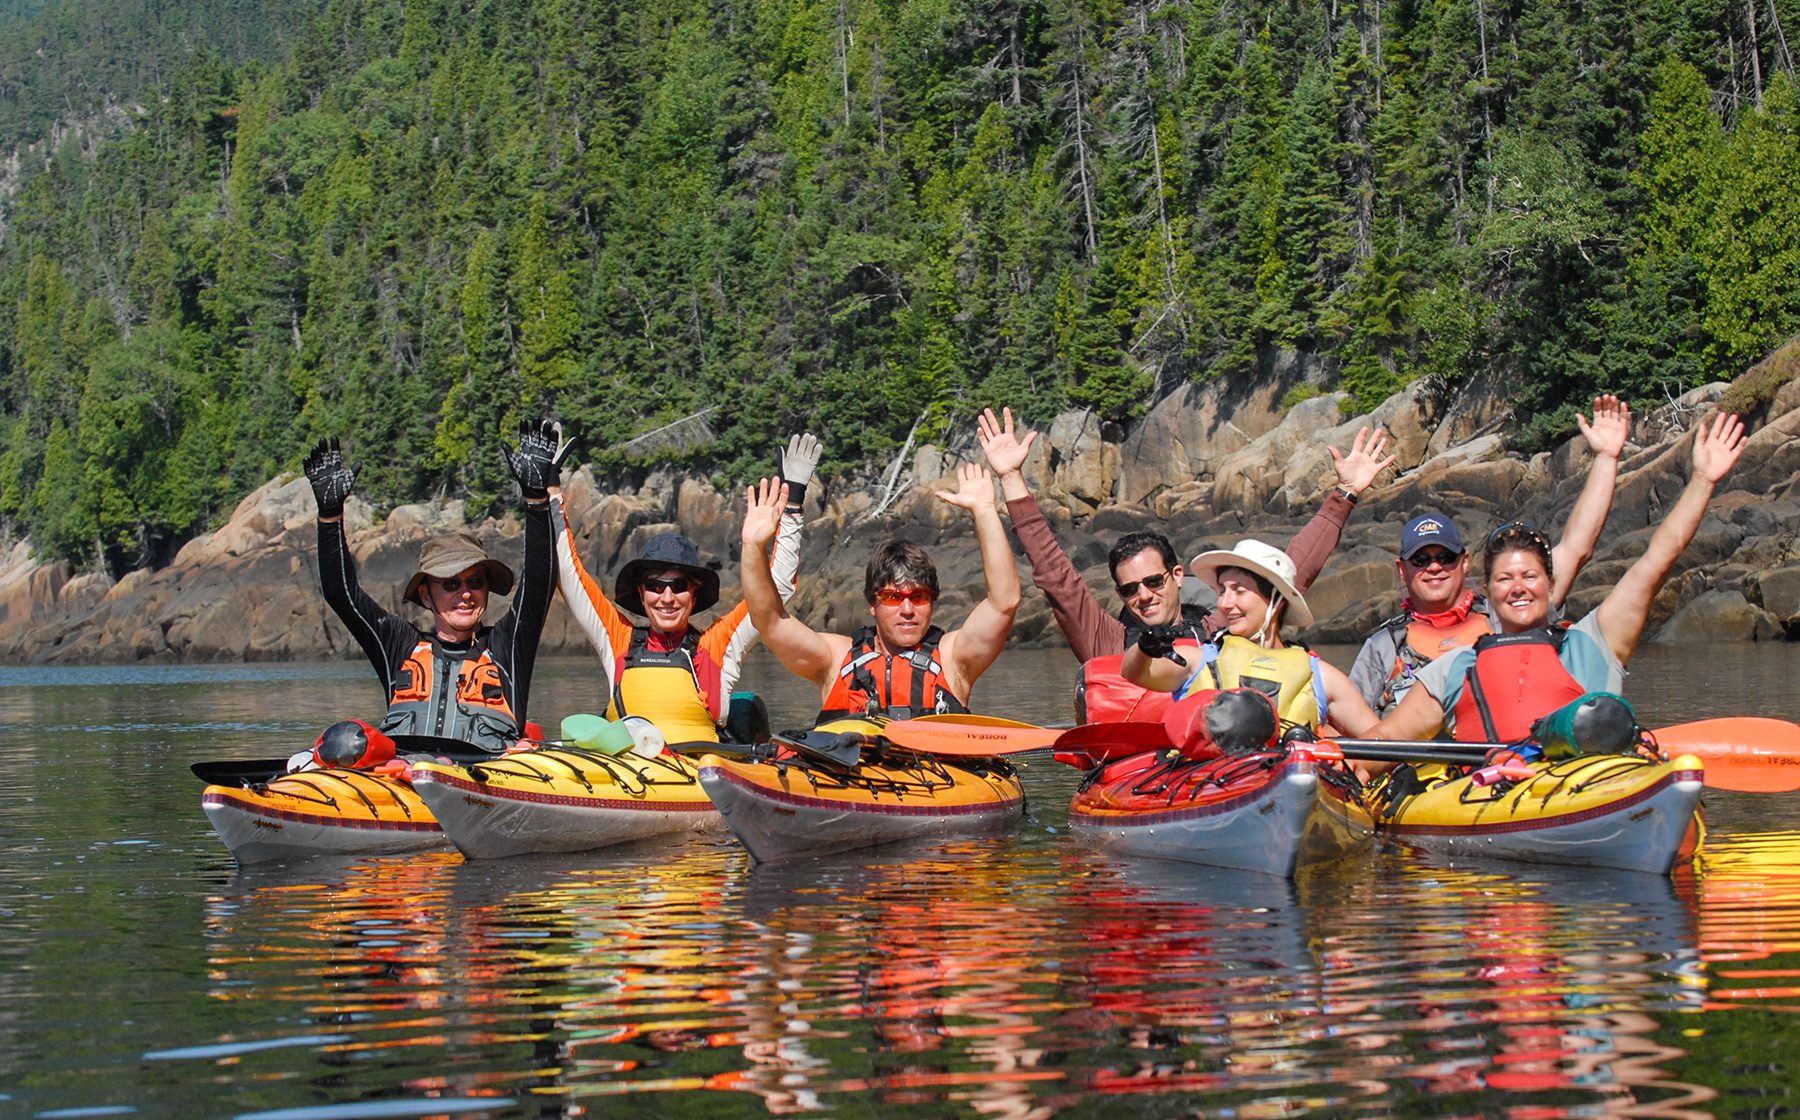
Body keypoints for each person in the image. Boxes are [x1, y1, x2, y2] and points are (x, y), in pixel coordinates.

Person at [976, 405, 1396, 723]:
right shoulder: (1106, 640)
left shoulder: (1217, 630)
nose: (1143, 595)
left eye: (1154, 581)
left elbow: (1286, 574)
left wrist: (1344, 495)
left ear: (1178, 575)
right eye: (1129, 589)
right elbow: (1056, 577)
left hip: (1222, 772)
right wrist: (1011, 479)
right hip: (1140, 780)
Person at [1367, 412, 1747, 746]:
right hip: (1494, 797)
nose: (1518, 586)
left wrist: (1702, 480)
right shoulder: (1452, 669)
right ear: (1487, 590)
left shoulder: (1596, 643)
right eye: (1505, 579)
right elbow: (1384, 740)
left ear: (1550, 583)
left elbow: (1656, 561)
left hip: (1591, 792)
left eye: (1529, 575)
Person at [1349, 396, 1633, 717]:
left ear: (1465, 562)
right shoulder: (1383, 647)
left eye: (1445, 556)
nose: (1434, 567)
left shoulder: (1505, 615)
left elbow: (1577, 548)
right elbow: (1350, 723)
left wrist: (1607, 459)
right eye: (1420, 560)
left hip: (1505, 760)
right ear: (1403, 569)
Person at [301, 421, 560, 757]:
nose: (465, 594)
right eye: (450, 584)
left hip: (483, 782)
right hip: (403, 781)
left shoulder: (507, 645)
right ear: (426, 594)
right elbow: (341, 595)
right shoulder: (400, 645)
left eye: (475, 582)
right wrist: (330, 516)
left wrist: (536, 500)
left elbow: (539, 585)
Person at [548, 434, 816, 745]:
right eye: (654, 586)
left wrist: (793, 502)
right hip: (628, 780)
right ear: (641, 593)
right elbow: (569, 573)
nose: (666, 598)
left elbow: (777, 592)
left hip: (704, 778)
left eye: (678, 586)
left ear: (694, 593)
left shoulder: (717, 645)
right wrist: (551, 490)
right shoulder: (617, 640)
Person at [739, 462, 1020, 722]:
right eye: (893, 598)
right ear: (872, 603)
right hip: (850, 774)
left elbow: (1003, 603)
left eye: (919, 597)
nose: (908, 610)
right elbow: (770, 620)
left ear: (933, 601)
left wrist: (984, 512)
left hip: (937, 774)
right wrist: (753, 547)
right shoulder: (834, 659)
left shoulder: (954, 657)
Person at [1120, 540, 1379, 739]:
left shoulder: (1320, 676)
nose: (1224, 603)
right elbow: (1134, 672)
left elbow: (1380, 738)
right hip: (1207, 788)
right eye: (1221, 590)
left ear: (1276, 601)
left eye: (1239, 591)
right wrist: (1144, 648)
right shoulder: (1198, 659)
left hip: (1290, 786)